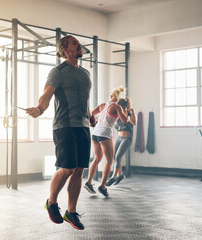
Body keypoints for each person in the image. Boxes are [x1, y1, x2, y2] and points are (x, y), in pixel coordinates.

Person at [26, 35, 93, 230]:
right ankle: (52, 202)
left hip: (83, 126)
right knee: (67, 168)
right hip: (64, 126)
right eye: (75, 43)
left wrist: (90, 116)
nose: (79, 46)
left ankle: (71, 212)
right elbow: (47, 94)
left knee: (80, 169)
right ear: (65, 50)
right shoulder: (58, 71)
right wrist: (40, 109)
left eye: (79, 44)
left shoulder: (85, 73)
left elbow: (83, 98)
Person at [84, 87, 127, 197]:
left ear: (111, 96)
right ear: (119, 99)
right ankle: (103, 186)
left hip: (95, 133)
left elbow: (91, 114)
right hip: (105, 135)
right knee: (109, 161)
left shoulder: (103, 105)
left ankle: (89, 182)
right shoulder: (117, 107)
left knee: (97, 159)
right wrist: (126, 111)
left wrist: (93, 123)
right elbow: (125, 120)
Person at [106, 97, 136, 186]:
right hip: (119, 138)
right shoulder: (118, 112)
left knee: (118, 156)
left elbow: (134, 122)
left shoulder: (130, 111)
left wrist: (129, 114)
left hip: (127, 138)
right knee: (115, 157)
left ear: (125, 106)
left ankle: (113, 176)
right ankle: (120, 175)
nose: (120, 108)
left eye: (121, 106)